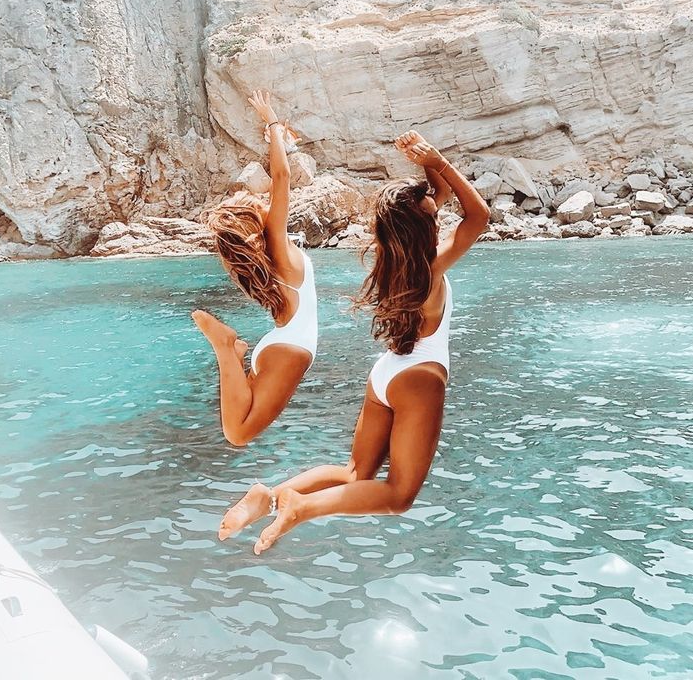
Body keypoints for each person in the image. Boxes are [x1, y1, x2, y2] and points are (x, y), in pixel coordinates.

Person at [216, 130, 490, 552]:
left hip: (386, 374)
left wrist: (428, 164)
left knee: (353, 474)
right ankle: (299, 509)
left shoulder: (395, 262)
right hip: (419, 379)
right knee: (398, 495)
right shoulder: (430, 267)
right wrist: (440, 162)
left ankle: (268, 498)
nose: (438, 206)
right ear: (425, 228)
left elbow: (433, 201)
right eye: (432, 212)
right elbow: (479, 217)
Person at [192, 90, 318, 446]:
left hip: (288, 348)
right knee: (238, 432)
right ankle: (225, 345)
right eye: (252, 200)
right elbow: (282, 176)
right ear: (256, 219)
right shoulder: (276, 242)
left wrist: (280, 137)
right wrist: (272, 121)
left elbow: (281, 173)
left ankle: (232, 353)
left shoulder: (271, 257)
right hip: (288, 348)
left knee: (238, 430)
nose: (260, 198)